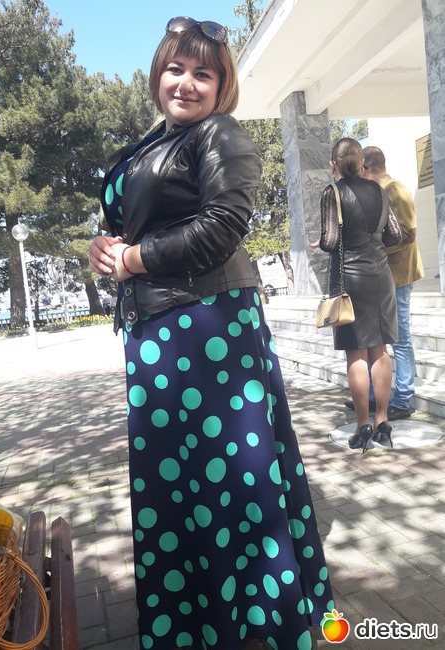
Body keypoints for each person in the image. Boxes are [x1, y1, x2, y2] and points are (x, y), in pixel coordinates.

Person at [89, 16, 333, 650]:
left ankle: (262, 617)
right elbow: (130, 221)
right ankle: (200, 617)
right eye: (176, 68)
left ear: (221, 87)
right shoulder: (153, 143)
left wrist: (134, 258)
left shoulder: (219, 133)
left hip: (208, 329)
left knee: (235, 478)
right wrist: (104, 247)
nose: (187, 83)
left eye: (204, 74)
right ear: (158, 73)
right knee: (179, 482)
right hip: (157, 332)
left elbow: (224, 225)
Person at [311, 138, 402, 452]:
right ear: (361, 163)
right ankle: (383, 423)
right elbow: (395, 235)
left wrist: (323, 242)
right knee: (380, 350)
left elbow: (329, 241)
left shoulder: (333, 192)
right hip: (380, 277)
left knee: (356, 354)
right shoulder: (379, 190)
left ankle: (362, 426)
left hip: (349, 280)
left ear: (333, 166)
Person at [359, 146, 424, 420]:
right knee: (378, 339)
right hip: (382, 276)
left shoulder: (395, 191)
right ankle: (376, 397)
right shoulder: (377, 192)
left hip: (398, 275)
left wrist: (375, 251)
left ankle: (403, 397)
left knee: (401, 339)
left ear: (364, 167)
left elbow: (408, 235)